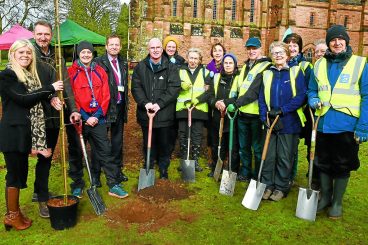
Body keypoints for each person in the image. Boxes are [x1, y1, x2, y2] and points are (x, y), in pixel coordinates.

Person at [0, 39, 63, 230]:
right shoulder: (7, 75)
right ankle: (12, 216)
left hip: (22, 133)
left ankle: (14, 213)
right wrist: (51, 88)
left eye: (28, 53)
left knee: (18, 175)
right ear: (12, 54)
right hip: (13, 133)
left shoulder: (27, 76)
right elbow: (24, 100)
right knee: (14, 176)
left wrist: (50, 98)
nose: (26, 56)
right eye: (21, 53)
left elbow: (35, 98)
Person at [308, 25, 368, 218]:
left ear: (347, 41)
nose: (337, 42)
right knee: (323, 163)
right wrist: (313, 99)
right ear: (328, 43)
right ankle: (325, 197)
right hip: (323, 123)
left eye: (340, 39)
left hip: (347, 125)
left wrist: (363, 127)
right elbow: (312, 90)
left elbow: (367, 96)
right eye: (333, 40)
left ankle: (337, 203)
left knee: (342, 165)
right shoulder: (318, 65)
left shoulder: (360, 64)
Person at [31, 20, 81, 217]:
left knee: (48, 155)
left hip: (54, 115)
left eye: (47, 34)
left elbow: (66, 85)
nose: (43, 38)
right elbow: (29, 86)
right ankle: (43, 200)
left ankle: (38, 190)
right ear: (34, 34)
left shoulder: (57, 56)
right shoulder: (30, 54)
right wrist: (49, 96)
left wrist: (73, 109)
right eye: (40, 34)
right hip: (36, 114)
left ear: (51, 36)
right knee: (43, 156)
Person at [68, 41, 128, 198]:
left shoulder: (100, 71)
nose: (86, 55)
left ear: (92, 54)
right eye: (83, 52)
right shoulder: (71, 72)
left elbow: (106, 95)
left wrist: (97, 115)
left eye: (89, 52)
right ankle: (77, 185)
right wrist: (85, 116)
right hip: (80, 119)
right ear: (78, 54)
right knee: (77, 153)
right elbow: (71, 97)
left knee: (105, 151)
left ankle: (113, 184)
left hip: (98, 119)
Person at [259, 41, 306, 201]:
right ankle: (267, 185)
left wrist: (283, 110)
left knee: (284, 156)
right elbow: (261, 98)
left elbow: (301, 96)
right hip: (270, 120)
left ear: (287, 54)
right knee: (269, 155)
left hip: (289, 121)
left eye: (281, 52)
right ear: (271, 56)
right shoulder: (267, 73)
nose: (278, 55)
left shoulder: (295, 71)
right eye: (274, 53)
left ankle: (281, 187)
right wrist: (264, 115)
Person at [131, 38, 180, 179]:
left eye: (158, 47)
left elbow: (174, 88)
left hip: (164, 115)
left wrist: (159, 104)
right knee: (148, 142)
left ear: (162, 49)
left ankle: (163, 168)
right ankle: (149, 165)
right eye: (153, 48)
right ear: (148, 49)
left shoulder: (171, 67)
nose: (156, 50)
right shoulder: (141, 67)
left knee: (165, 144)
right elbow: (136, 87)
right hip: (146, 115)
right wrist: (145, 103)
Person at [229, 37, 272, 182]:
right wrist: (230, 101)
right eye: (249, 48)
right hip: (242, 115)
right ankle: (245, 172)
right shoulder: (245, 67)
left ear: (260, 49)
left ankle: (257, 175)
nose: (251, 51)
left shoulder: (266, 66)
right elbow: (239, 89)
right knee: (243, 147)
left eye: (254, 48)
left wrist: (236, 104)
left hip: (256, 115)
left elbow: (254, 91)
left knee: (257, 149)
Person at [95, 34, 129, 186]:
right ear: (106, 46)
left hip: (119, 107)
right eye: (111, 44)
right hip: (104, 107)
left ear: (120, 47)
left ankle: (116, 171)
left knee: (117, 142)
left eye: (117, 44)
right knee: (100, 142)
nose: (114, 47)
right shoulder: (98, 62)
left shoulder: (123, 63)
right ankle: (96, 175)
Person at [283, 33, 312, 185]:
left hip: (297, 113)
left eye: (295, 45)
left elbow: (306, 91)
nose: (291, 48)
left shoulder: (306, 66)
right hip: (281, 112)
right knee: (284, 148)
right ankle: (283, 174)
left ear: (300, 48)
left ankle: (290, 177)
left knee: (292, 147)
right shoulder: (281, 62)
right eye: (289, 44)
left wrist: (292, 107)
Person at [176, 48, 211, 172]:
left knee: (197, 135)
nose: (193, 61)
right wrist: (180, 86)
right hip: (183, 108)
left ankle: (195, 160)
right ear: (187, 58)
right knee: (183, 134)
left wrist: (198, 99)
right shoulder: (180, 71)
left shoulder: (205, 73)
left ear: (200, 60)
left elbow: (209, 92)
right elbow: (173, 87)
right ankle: (184, 160)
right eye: (191, 58)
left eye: (196, 58)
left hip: (198, 109)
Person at [207, 53, 240, 177]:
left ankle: (232, 170)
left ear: (235, 64)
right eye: (225, 63)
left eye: (230, 63)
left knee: (232, 145)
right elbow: (209, 95)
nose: (227, 65)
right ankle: (216, 168)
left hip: (232, 117)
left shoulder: (238, 78)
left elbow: (240, 96)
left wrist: (226, 103)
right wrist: (215, 103)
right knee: (217, 144)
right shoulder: (216, 77)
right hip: (217, 116)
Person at [205, 43, 226, 168]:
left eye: (220, 50)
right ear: (212, 53)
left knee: (222, 133)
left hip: (223, 105)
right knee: (211, 132)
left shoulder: (228, 65)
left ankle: (223, 158)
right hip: (211, 104)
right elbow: (206, 86)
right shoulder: (209, 67)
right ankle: (212, 157)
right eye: (215, 51)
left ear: (223, 52)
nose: (217, 53)